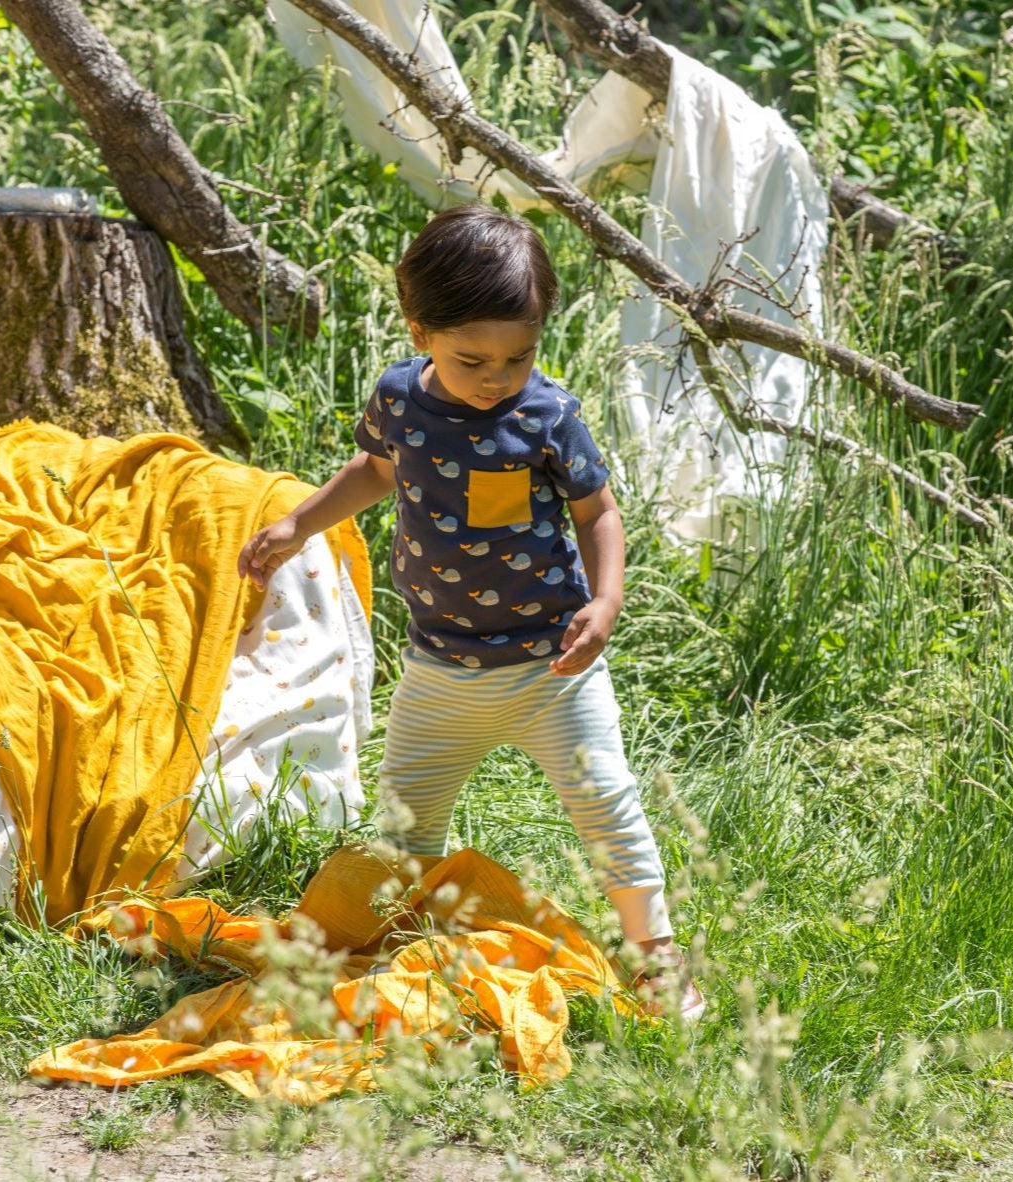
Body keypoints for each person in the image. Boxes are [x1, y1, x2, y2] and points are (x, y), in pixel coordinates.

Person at [238, 204, 703, 1020]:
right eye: (472, 359)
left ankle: (654, 956)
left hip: (551, 667)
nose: (496, 377)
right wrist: (297, 523)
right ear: (421, 331)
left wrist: (606, 600)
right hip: (441, 668)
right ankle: (407, 947)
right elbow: (378, 471)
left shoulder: (547, 416)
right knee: (406, 818)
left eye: (518, 355)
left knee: (606, 804)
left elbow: (598, 512)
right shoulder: (398, 401)